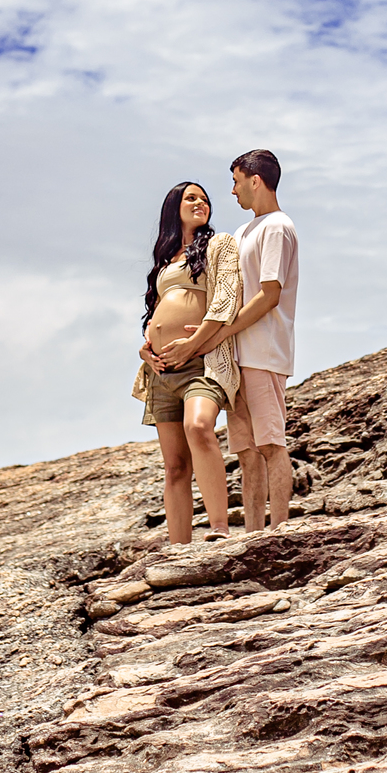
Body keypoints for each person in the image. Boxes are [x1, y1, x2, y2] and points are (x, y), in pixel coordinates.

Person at [132, 181, 242, 544]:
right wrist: (145, 350)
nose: (201, 203)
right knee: (175, 465)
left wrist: (193, 344)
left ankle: (219, 529)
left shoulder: (219, 244)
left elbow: (226, 301)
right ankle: (177, 547)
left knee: (199, 427)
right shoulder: (165, 259)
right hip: (161, 370)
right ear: (173, 208)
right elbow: (155, 317)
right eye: (191, 198)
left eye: (205, 199)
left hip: (202, 361)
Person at [220, 149, 298, 532]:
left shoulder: (277, 227)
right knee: (247, 453)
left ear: (255, 180)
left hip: (263, 352)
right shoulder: (242, 232)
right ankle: (252, 534)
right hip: (237, 355)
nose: (232, 191)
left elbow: (270, 294)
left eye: (236, 181)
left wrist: (223, 331)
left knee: (270, 444)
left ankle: (279, 529)